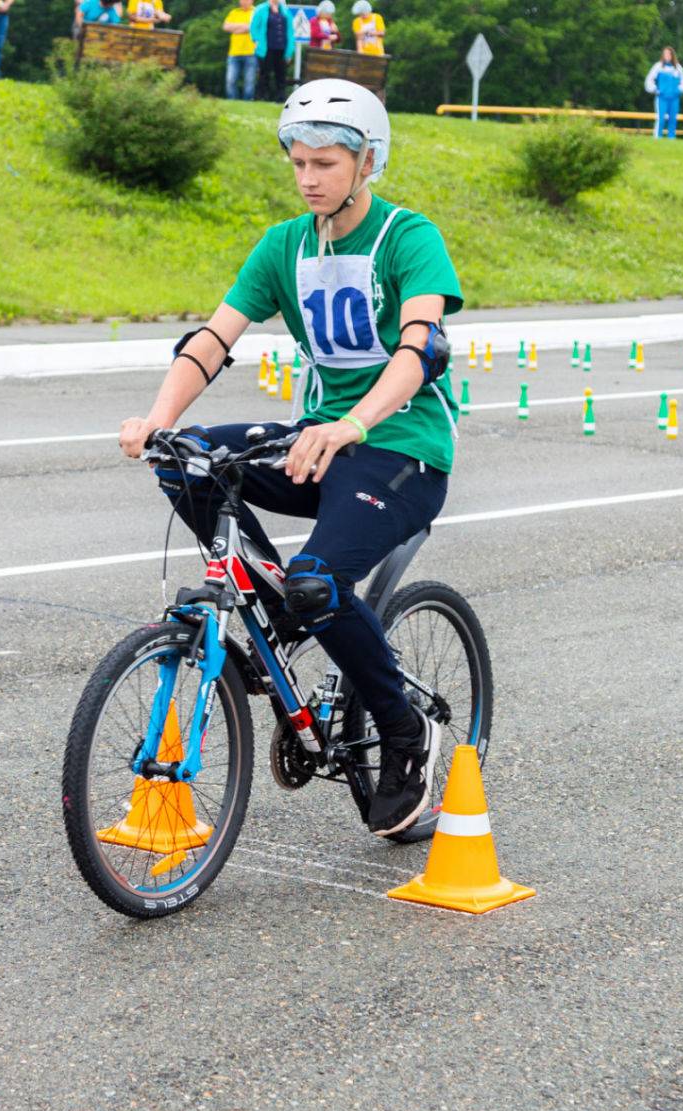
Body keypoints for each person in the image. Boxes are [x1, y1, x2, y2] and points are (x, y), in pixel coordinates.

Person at [117, 79, 463, 837]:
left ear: (367, 162)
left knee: (320, 581)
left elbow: (420, 350)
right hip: (318, 442)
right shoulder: (285, 245)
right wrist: (159, 417)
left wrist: (354, 422)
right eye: (298, 162)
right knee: (187, 458)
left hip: (401, 448)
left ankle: (403, 731)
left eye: (326, 163)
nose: (308, 178)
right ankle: (280, 600)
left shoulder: (408, 237)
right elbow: (212, 340)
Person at [250, 0, 296, 103]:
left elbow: (290, 31)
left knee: (281, 75)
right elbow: (253, 27)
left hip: (282, 48)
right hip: (266, 48)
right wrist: (256, 40)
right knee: (264, 73)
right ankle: (260, 97)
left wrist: (289, 51)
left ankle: (280, 98)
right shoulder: (261, 9)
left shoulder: (284, 10)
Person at [644, 47, 683, 139]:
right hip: (661, 98)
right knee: (661, 119)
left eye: (669, 54)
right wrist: (655, 90)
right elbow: (649, 80)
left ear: (672, 55)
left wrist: (678, 91)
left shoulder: (678, 68)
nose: (667, 56)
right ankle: (657, 137)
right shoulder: (658, 66)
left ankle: (671, 138)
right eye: (665, 54)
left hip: (674, 98)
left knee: (673, 119)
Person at [222, 0, 258, 101]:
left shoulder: (256, 12)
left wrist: (235, 27)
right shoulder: (234, 12)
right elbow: (226, 27)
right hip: (234, 53)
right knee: (230, 80)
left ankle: (247, 101)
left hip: (251, 52)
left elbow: (255, 27)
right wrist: (245, 27)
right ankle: (232, 101)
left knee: (249, 81)